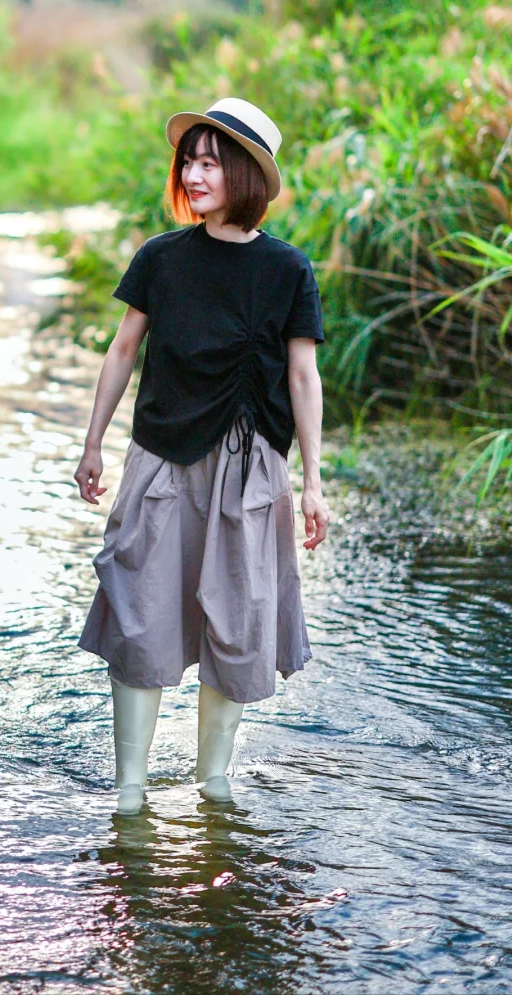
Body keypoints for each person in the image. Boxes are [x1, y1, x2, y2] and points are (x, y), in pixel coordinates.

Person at [75, 97, 331, 811]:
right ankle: (130, 788)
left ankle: (210, 781)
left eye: (210, 161)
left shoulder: (287, 269)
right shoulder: (161, 257)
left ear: (245, 173)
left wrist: (313, 482)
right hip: (160, 456)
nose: (192, 172)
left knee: (238, 615)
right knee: (138, 608)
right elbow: (123, 347)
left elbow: (303, 376)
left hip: (250, 465)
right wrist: (93, 441)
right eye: (188, 159)